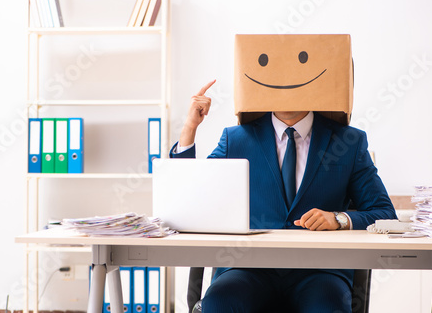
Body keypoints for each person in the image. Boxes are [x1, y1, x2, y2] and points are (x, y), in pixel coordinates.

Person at [170, 80, 397, 313]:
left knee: (329, 308)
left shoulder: (349, 141)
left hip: (319, 271)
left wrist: (338, 219)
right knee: (220, 303)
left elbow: (385, 213)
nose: (286, 87)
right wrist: (190, 127)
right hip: (247, 268)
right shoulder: (235, 139)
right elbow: (190, 200)